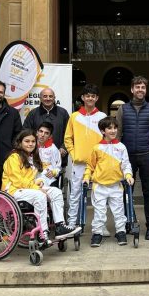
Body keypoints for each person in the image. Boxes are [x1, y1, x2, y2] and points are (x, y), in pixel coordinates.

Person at [2, 129, 80, 243]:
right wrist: (37, 188)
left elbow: (34, 175)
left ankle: (59, 226)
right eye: (27, 141)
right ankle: (42, 233)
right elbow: (18, 181)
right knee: (40, 195)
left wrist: (39, 181)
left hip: (27, 189)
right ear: (20, 143)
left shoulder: (32, 157)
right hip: (13, 191)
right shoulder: (14, 158)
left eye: (33, 141)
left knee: (56, 192)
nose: (30, 144)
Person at [115, 75, 149, 240]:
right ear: (132, 89)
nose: (140, 90)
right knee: (125, 191)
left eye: (143, 87)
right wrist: (116, 155)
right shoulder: (123, 109)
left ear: (145, 90)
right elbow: (117, 133)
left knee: (148, 191)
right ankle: (128, 221)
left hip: (147, 155)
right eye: (137, 87)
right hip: (127, 157)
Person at [83, 117, 134, 247]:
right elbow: (90, 166)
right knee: (99, 211)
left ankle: (121, 232)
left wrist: (128, 175)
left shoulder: (121, 147)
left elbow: (126, 164)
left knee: (118, 211)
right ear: (102, 131)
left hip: (116, 185)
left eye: (115, 128)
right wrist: (86, 177)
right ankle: (97, 234)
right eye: (109, 128)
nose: (113, 131)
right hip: (99, 186)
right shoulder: (96, 148)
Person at [64, 83, 106, 230]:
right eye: (87, 96)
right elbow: (68, 138)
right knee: (75, 194)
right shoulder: (74, 117)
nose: (90, 98)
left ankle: (100, 225)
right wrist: (74, 154)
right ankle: (71, 223)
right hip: (79, 163)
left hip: (98, 164)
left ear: (97, 98)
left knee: (99, 196)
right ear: (82, 97)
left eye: (93, 96)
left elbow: (106, 139)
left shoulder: (102, 116)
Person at [23, 87, 69, 168]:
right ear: (40, 98)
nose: (48, 99)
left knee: (56, 179)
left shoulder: (63, 113)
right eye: (45, 96)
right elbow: (25, 133)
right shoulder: (33, 114)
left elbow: (70, 133)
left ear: (54, 98)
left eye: (50, 96)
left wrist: (64, 148)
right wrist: (32, 149)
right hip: (36, 158)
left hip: (59, 157)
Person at [36, 122, 62, 187]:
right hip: (32, 178)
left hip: (48, 179)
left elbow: (57, 168)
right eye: (41, 131)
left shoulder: (53, 149)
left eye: (46, 133)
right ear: (37, 133)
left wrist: (53, 173)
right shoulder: (31, 146)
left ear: (50, 136)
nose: (42, 135)